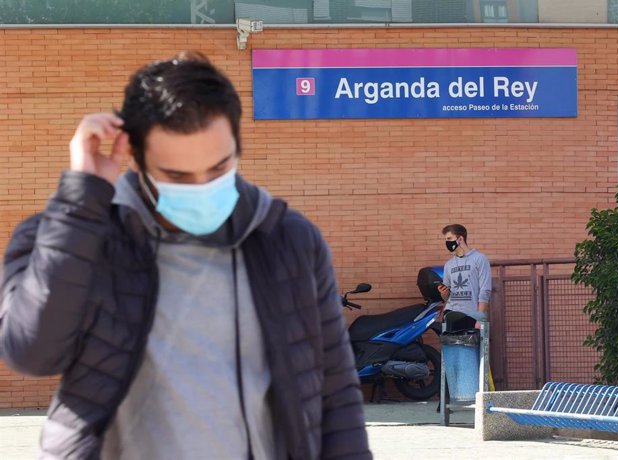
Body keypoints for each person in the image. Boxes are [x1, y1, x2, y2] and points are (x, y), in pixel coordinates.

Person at [0, 51, 371, 460]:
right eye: (176, 175)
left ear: (237, 146)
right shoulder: (75, 232)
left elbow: (334, 388)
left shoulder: (288, 240)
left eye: (218, 168)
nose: (201, 187)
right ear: (137, 160)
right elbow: (31, 353)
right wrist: (80, 202)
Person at [436, 224, 492, 332]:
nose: (447, 242)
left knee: (469, 349)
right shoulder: (449, 264)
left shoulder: (479, 259)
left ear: (460, 239)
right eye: (445, 239)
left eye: (449, 239)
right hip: (450, 314)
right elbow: (446, 297)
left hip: (471, 315)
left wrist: (480, 318)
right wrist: (443, 293)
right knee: (450, 349)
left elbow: (485, 290)